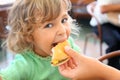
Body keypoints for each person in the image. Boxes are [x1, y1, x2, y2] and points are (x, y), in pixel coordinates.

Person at [0, 0, 81, 80]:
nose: (62, 31)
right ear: (28, 35)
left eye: (64, 20)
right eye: (49, 25)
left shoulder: (71, 47)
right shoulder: (25, 64)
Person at [87, 0, 120, 70]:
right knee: (115, 41)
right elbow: (103, 9)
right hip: (101, 24)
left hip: (115, 24)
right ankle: (112, 67)